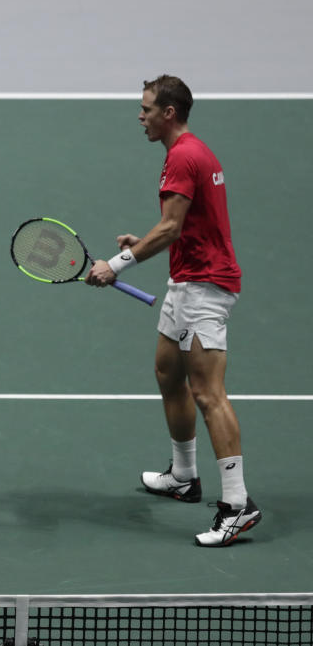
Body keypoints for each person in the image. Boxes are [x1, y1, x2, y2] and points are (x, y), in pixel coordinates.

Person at [85, 75, 260, 547]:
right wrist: (139, 243)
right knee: (168, 372)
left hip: (206, 288)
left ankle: (238, 505)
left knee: (209, 394)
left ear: (168, 113)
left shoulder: (182, 156)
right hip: (186, 282)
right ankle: (184, 477)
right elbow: (177, 228)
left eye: (145, 109)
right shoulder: (190, 151)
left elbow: (170, 228)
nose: (139, 116)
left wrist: (116, 264)